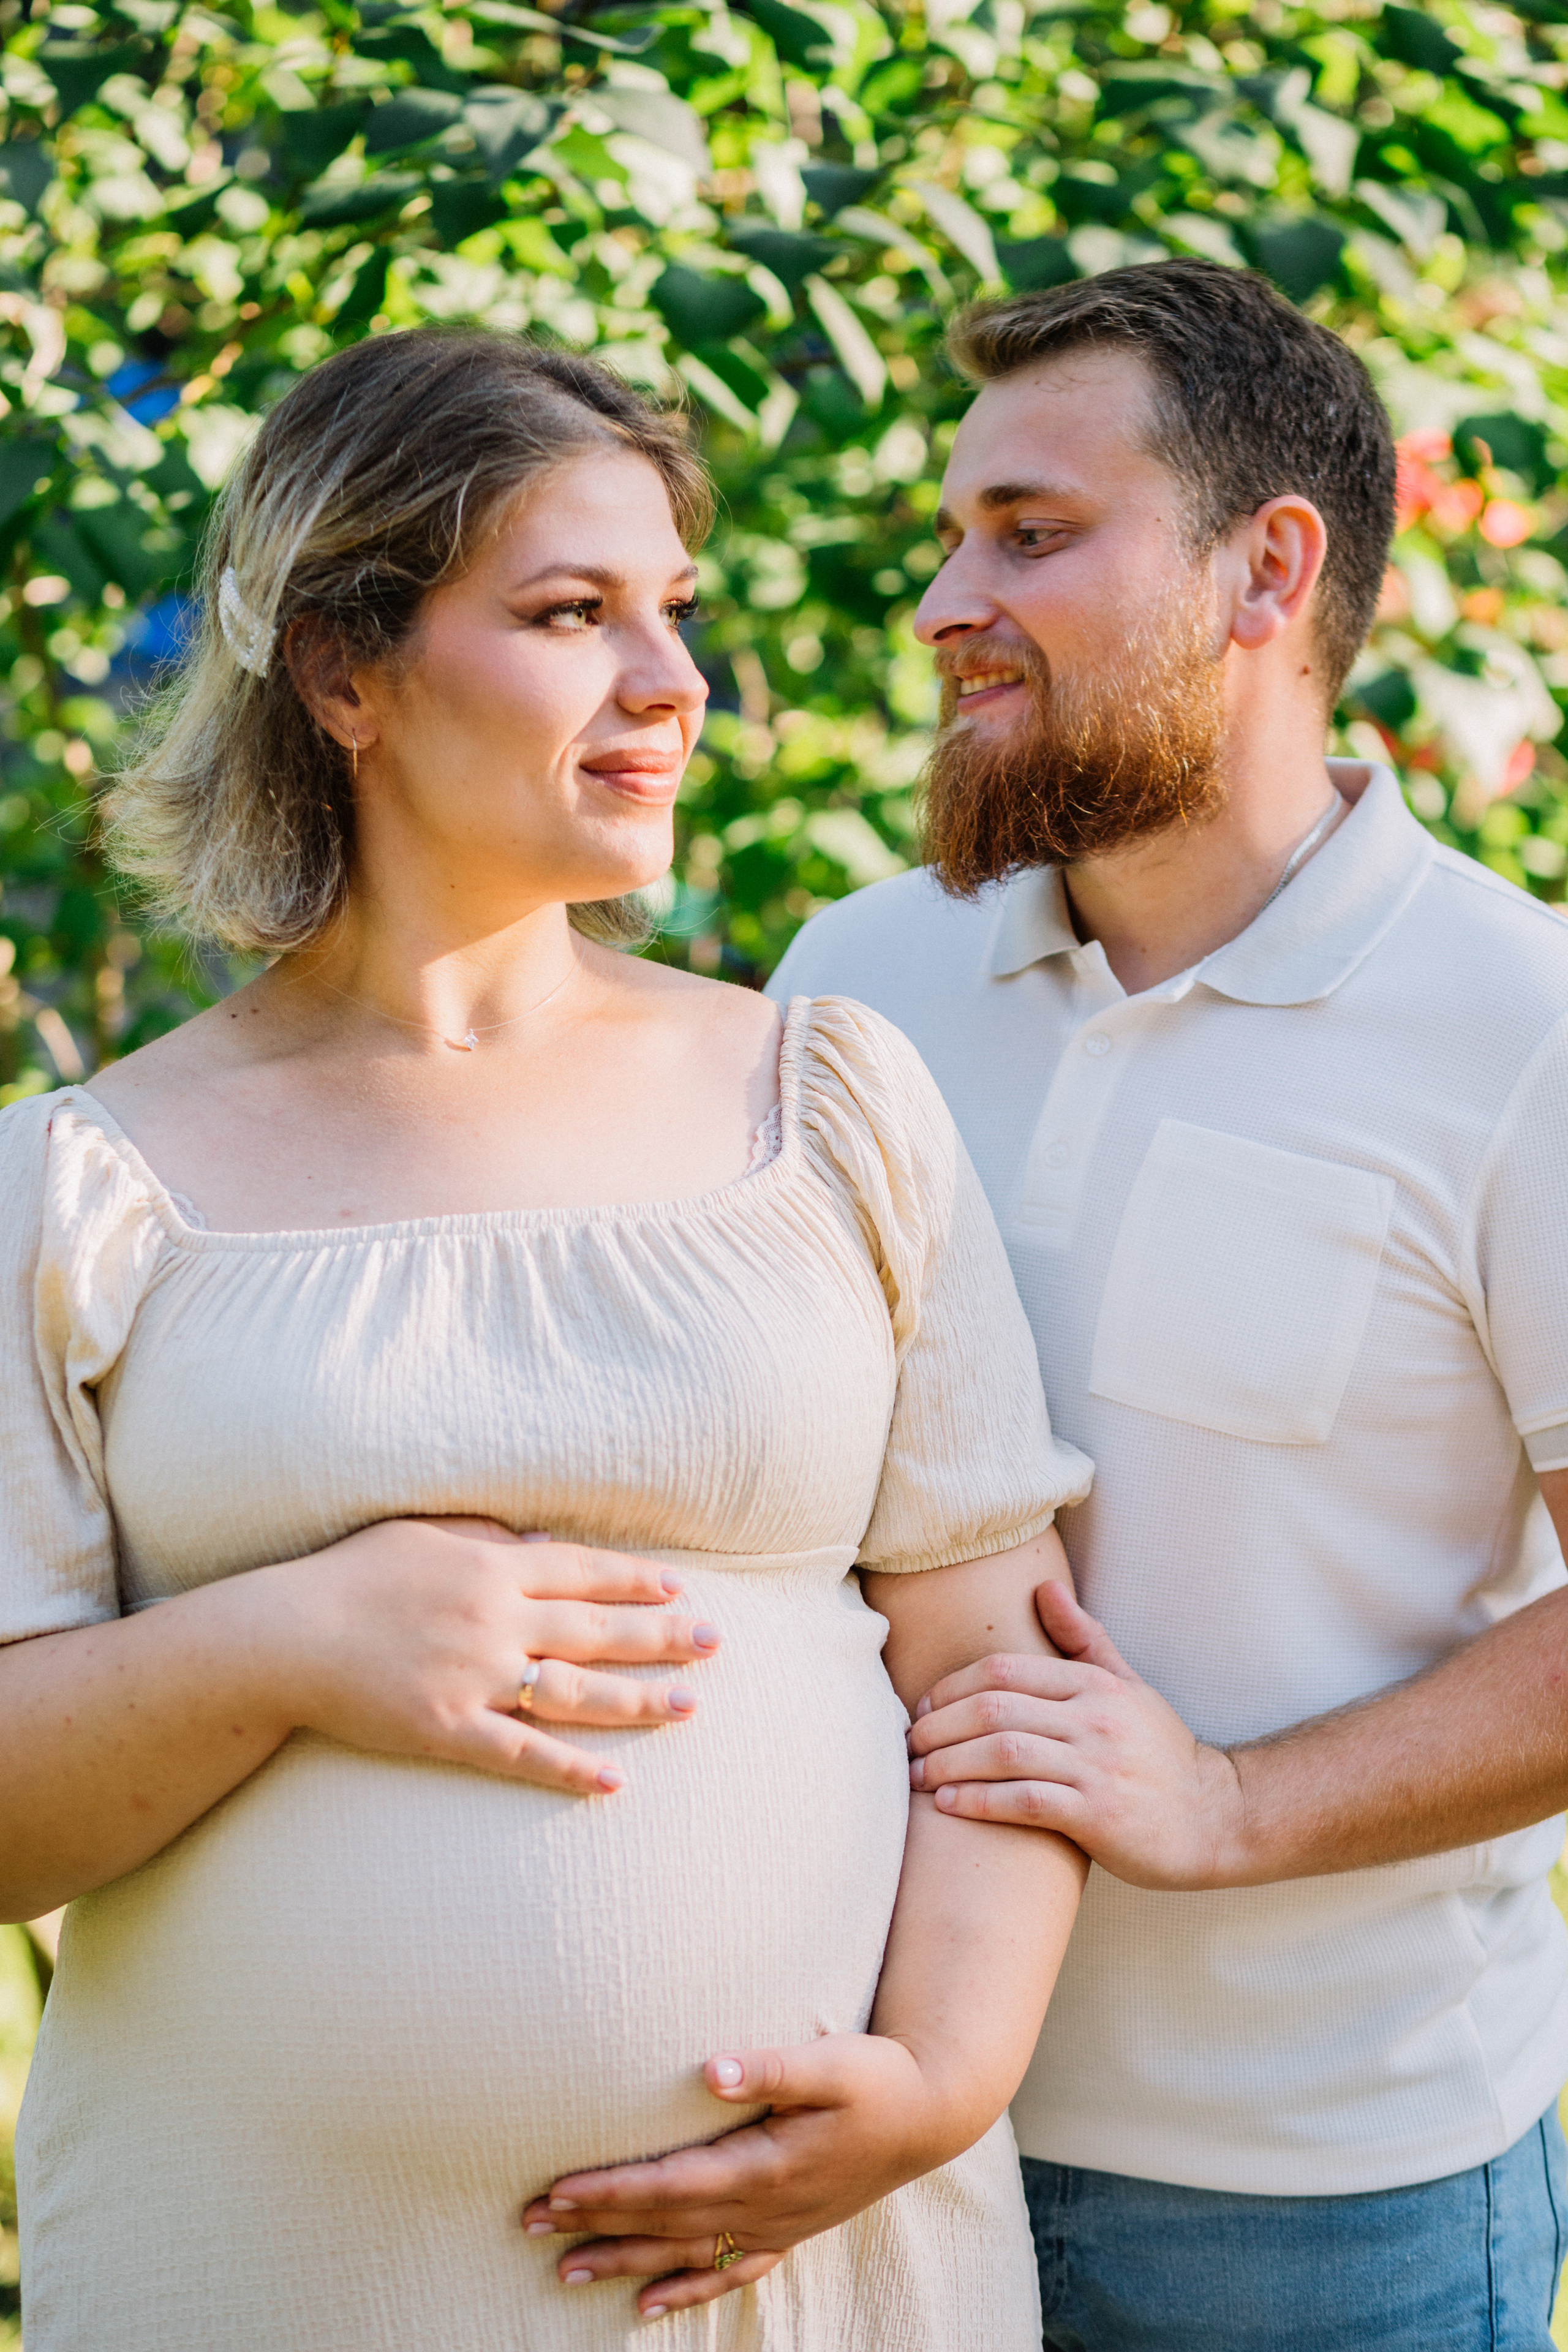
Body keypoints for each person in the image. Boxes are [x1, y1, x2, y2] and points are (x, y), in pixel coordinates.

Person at [0, 327, 1095, 2351]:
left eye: (671, 612)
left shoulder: (827, 1097)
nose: (672, 686)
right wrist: (289, 1641)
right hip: (257, 2275)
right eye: (571, 614)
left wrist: (942, 2081)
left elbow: (1002, 1681)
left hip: (811, 2272)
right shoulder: (76, 1185)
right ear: (344, 670)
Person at [549, 262, 1568, 2349]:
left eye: (1029, 535)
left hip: (1305, 2206)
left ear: (1267, 570)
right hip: (848, 2132)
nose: (941, 604)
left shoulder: (1525, 1031)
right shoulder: (856, 977)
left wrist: (1229, 1803)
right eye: (952, 536)